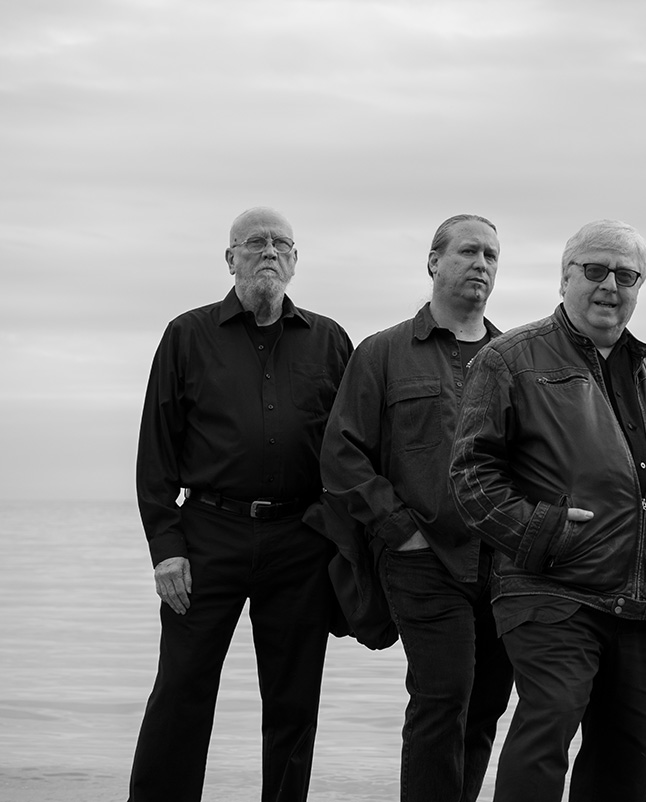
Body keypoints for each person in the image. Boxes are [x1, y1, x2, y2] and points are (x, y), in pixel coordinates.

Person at [450, 219, 646, 802]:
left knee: (627, 762)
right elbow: (471, 475)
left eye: (626, 275)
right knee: (546, 732)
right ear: (564, 277)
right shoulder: (510, 360)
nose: (610, 286)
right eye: (595, 270)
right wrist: (542, 530)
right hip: (552, 592)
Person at [130, 207, 353, 801]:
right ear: (230, 259)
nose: (269, 252)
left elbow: (352, 450)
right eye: (255, 243)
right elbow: (155, 455)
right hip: (207, 537)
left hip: (301, 541)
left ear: (297, 260)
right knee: (181, 691)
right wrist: (166, 549)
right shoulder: (186, 335)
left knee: (294, 700)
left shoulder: (331, 341)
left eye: (282, 243)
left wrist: (350, 544)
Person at [317, 214, 513, 801]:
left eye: (492, 256)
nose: (482, 264)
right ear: (433, 263)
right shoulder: (382, 353)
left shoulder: (515, 358)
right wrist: (399, 530)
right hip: (423, 558)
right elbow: (342, 453)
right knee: (442, 695)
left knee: (486, 704)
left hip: (502, 563)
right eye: (469, 252)